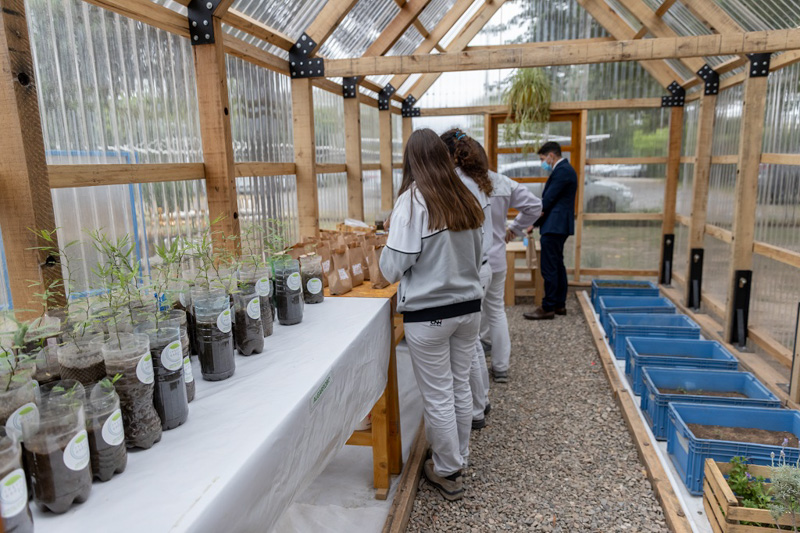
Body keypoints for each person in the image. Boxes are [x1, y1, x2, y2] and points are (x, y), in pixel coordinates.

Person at [380, 128, 485, 501]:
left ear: (411, 160)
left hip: (430, 315)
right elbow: (477, 255)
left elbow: (393, 266)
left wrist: (385, 255)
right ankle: (458, 459)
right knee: (459, 386)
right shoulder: (467, 197)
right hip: (469, 310)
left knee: (439, 393)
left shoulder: (413, 201)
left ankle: (447, 470)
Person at [440, 129, 492, 430]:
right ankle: (480, 401)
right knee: (470, 345)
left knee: (468, 348)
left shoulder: (459, 183)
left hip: (472, 269)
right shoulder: (479, 180)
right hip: (480, 266)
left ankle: (475, 409)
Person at [480, 156, 543, 383]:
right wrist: (514, 229)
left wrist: (515, 228)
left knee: (471, 317)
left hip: (473, 263)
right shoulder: (503, 182)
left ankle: (474, 376)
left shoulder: (459, 183)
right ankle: (501, 367)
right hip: (497, 259)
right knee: (496, 312)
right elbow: (535, 206)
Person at [524, 141, 577, 321]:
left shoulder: (562, 171)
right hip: (558, 225)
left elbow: (547, 201)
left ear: (551, 156)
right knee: (558, 265)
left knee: (549, 268)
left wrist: (532, 222)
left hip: (554, 226)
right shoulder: (566, 171)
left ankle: (548, 307)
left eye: (543, 159)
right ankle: (559, 304)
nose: (543, 163)